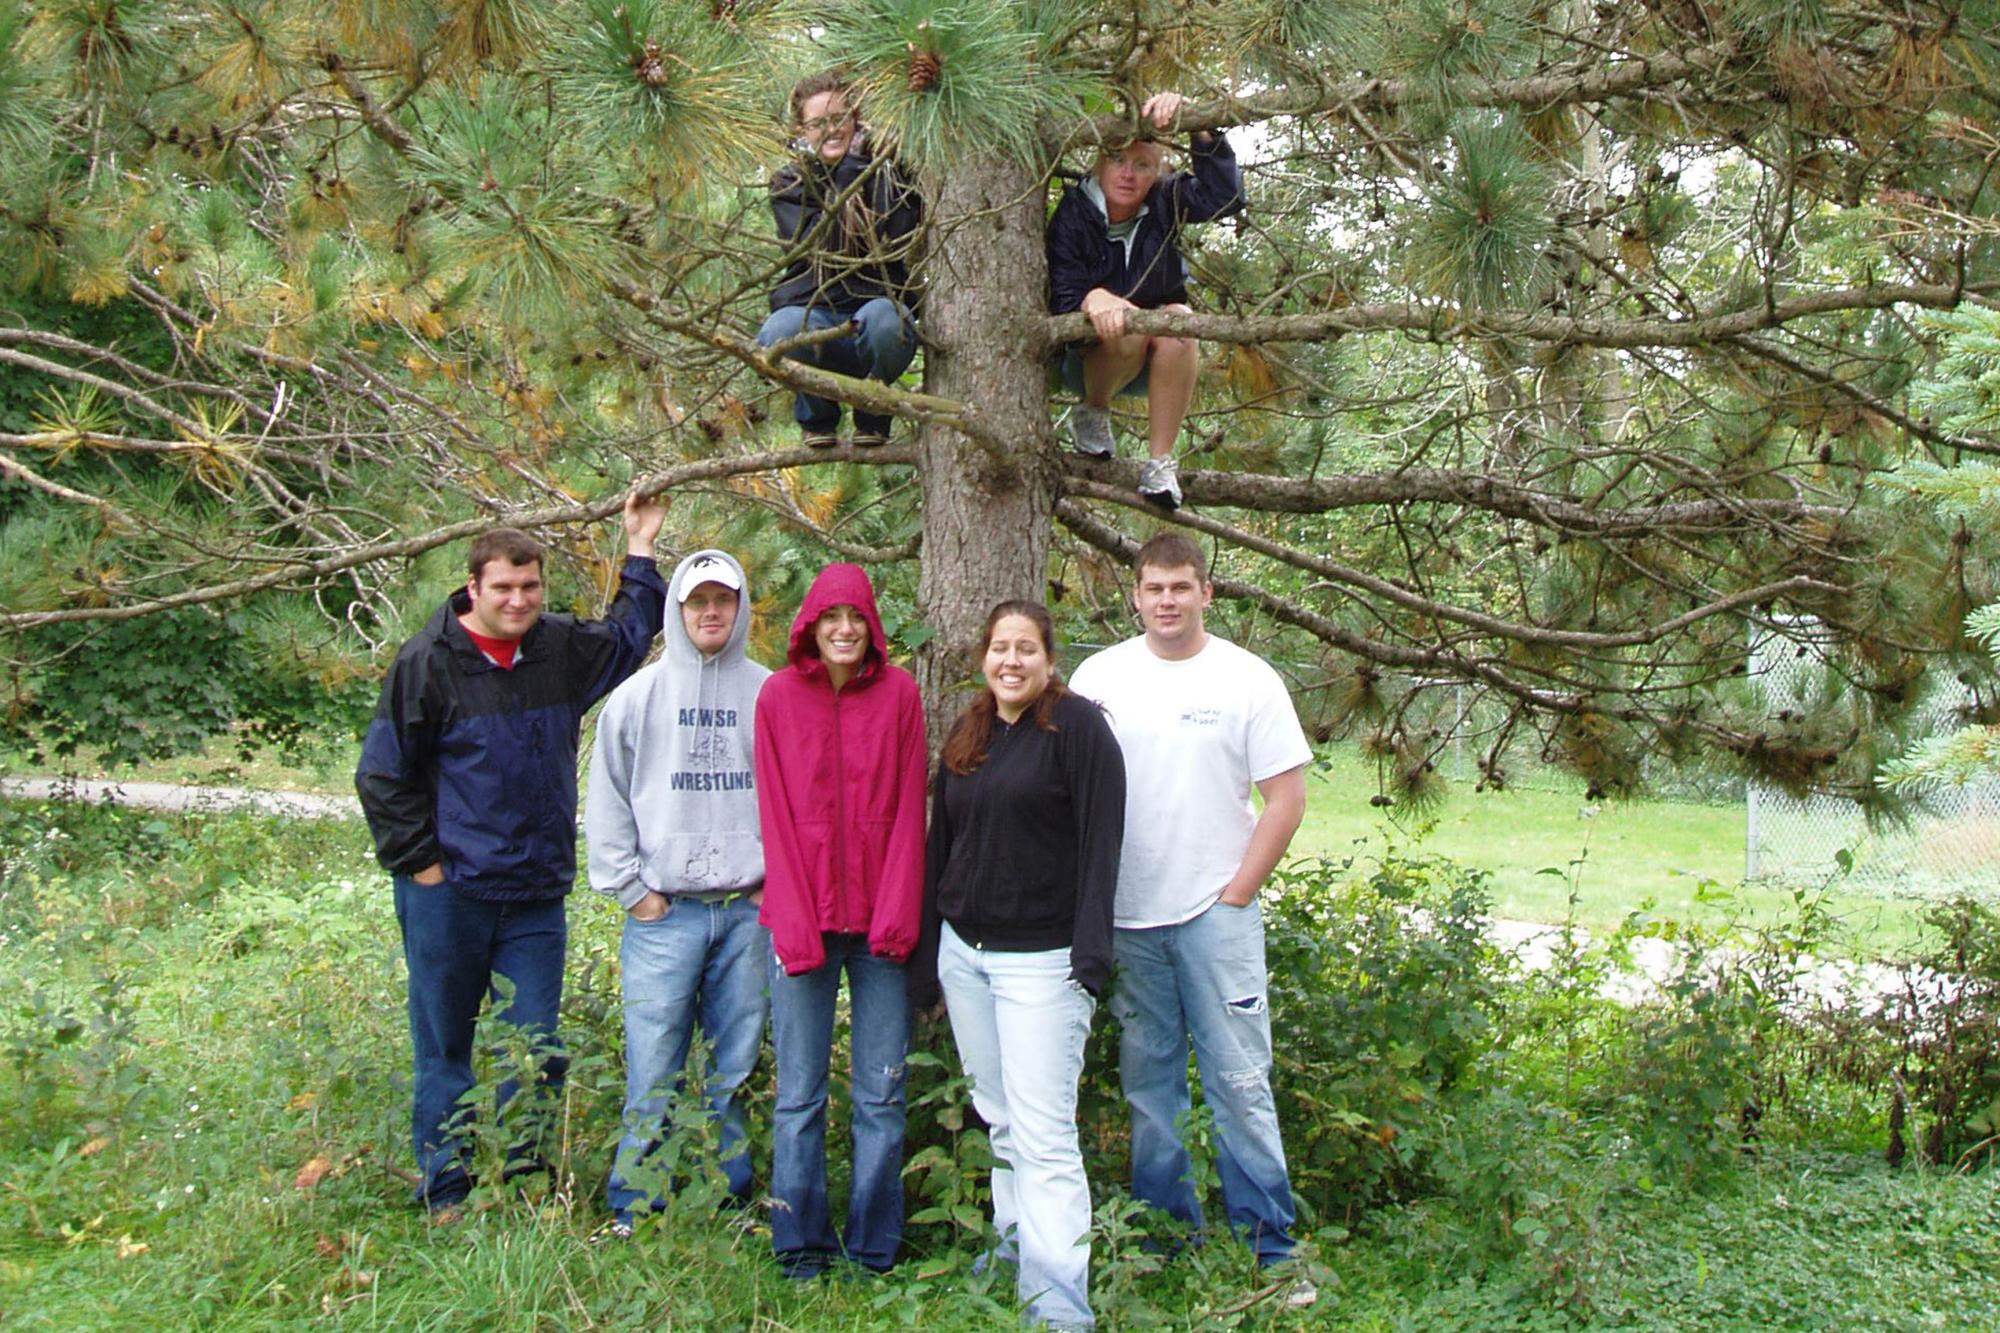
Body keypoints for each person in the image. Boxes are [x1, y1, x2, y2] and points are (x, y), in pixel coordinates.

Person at [355, 494, 668, 1216]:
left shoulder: (557, 650)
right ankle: (449, 1187)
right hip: (450, 893)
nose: (518, 599)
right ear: (474, 588)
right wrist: (425, 867)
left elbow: (627, 634)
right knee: (445, 1044)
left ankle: (527, 1179)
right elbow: (382, 774)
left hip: (534, 896)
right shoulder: (428, 663)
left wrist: (641, 546)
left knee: (537, 1046)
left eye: (530, 587)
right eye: (503, 587)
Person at [1066, 531, 1316, 1305]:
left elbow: (1287, 796)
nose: (1167, 600)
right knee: (1150, 1088)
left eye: (1182, 586)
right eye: (1154, 588)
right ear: (1134, 595)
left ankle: (1272, 1250)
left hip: (1216, 914)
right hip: (1130, 919)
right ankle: (1167, 1240)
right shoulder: (1097, 678)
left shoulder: (1247, 680)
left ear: (1208, 592)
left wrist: (1236, 892)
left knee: (1241, 1082)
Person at [910, 600, 1125, 1330]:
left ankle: (1059, 1301)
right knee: (999, 1117)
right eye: (1000, 647)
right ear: (983, 657)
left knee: (1044, 1132)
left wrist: (1093, 953)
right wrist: (928, 954)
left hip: (1044, 963)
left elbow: (1102, 842)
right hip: (968, 956)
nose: (1011, 660)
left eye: (1025, 648)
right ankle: (1013, 1245)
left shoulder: (1078, 729)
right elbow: (944, 845)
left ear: (1049, 657)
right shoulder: (971, 731)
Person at [585, 548, 770, 1235]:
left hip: (747, 913)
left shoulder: (769, 692)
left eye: (724, 599)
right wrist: (633, 890)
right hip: (666, 916)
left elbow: (796, 795)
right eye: (699, 602)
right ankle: (638, 1204)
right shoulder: (638, 697)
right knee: (654, 1065)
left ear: (741, 606)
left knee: (736, 1066)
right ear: (679, 610)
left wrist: (773, 879)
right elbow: (606, 799)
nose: (712, 612)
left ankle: (729, 1199)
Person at [754, 562, 928, 1276]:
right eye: (831, 618)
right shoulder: (777, 697)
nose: (845, 629)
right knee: (798, 1094)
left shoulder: (900, 695)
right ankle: (799, 1242)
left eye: (856, 617)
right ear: (810, 625)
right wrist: (793, 922)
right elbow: (775, 814)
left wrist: (895, 918)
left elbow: (911, 813)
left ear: (872, 625)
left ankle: (874, 1243)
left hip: (881, 929)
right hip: (804, 920)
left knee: (882, 1092)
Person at [1045, 91, 1246, 511]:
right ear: (1100, 162)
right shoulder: (1074, 213)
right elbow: (1061, 293)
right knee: (1131, 324)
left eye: (1143, 165)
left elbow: (1225, 199)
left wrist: (1199, 123)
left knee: (1179, 321)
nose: (1128, 174)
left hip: (1152, 363)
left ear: (1158, 172)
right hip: (1084, 359)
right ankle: (1092, 412)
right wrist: (1091, 299)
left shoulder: (1164, 201)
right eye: (1118, 160)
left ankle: (1159, 464)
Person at [757, 69, 925, 450]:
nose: (831, 130)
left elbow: (897, 236)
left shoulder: (890, 174)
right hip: (811, 309)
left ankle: (874, 410)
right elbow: (819, 245)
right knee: (778, 334)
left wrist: (868, 166)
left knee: (889, 323)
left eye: (839, 119)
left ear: (857, 120)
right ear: (801, 131)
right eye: (818, 123)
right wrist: (853, 168)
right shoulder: (790, 182)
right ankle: (817, 416)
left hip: (875, 312)